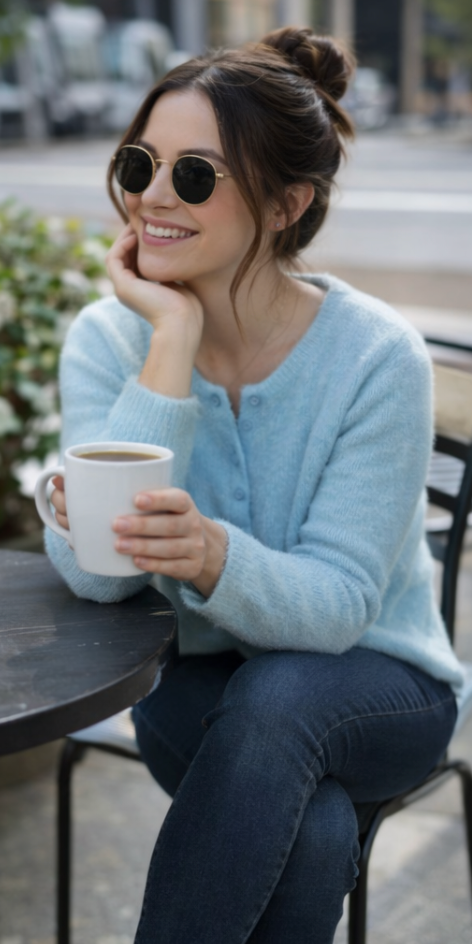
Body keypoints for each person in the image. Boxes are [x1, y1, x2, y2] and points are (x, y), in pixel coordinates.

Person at [45, 26, 463, 944]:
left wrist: (209, 556)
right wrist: (170, 342)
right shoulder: (110, 339)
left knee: (280, 699)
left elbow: (341, 607)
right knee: (311, 839)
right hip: (191, 686)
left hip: (378, 683)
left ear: (285, 204)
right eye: (140, 162)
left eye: (194, 177)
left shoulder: (375, 357)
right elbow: (100, 578)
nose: (151, 197)